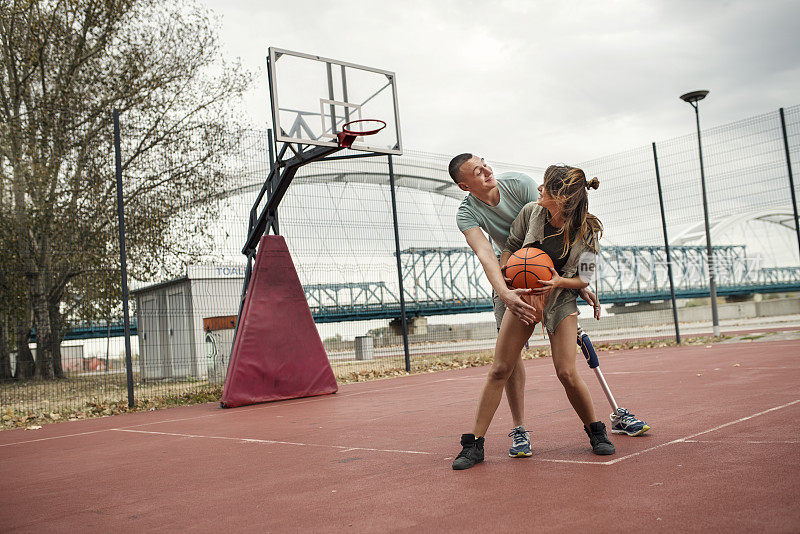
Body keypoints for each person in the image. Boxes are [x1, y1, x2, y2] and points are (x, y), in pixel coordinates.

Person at [449, 155, 646, 470]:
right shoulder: (531, 212)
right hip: (525, 293)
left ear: (562, 197)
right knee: (500, 368)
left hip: (560, 297)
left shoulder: (590, 229)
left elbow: (584, 275)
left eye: (546, 186)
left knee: (566, 372)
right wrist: (508, 281)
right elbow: (507, 247)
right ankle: (475, 446)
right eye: (477, 170)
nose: (537, 187)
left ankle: (596, 432)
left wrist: (562, 282)